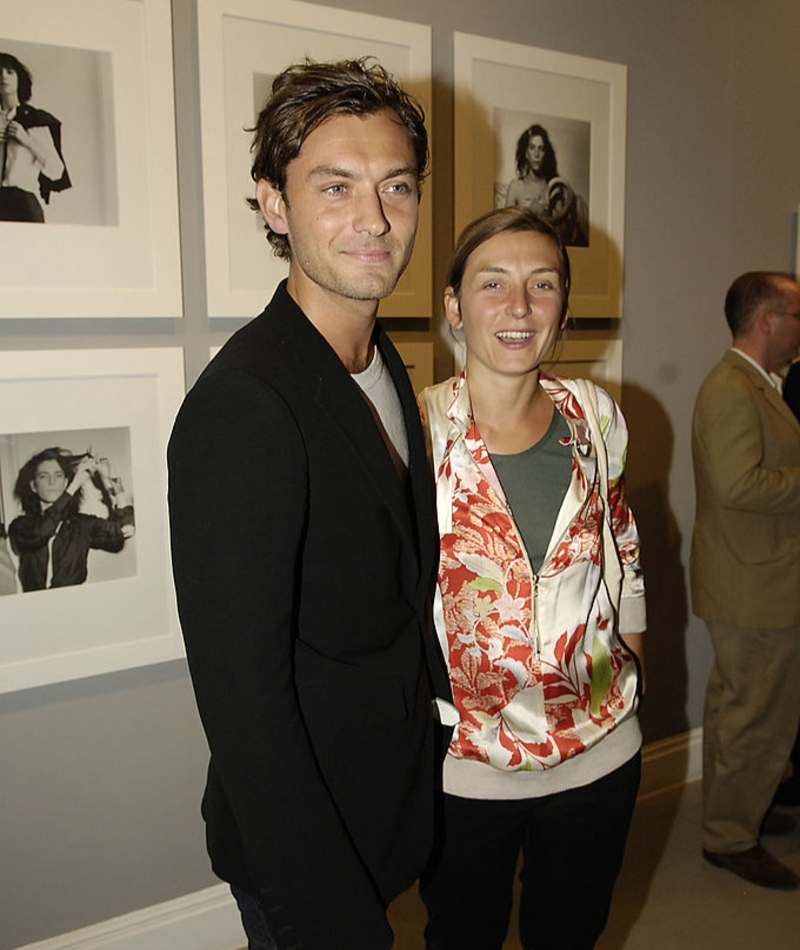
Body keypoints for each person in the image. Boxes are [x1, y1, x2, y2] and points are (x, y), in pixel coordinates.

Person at [167, 58, 447, 950]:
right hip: (307, 851)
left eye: (395, 187)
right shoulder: (245, 404)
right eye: (336, 186)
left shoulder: (384, 357)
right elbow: (243, 704)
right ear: (274, 205)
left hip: (391, 804)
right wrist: (328, 913)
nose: (374, 219)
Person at [418, 207, 646, 950]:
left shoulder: (595, 415)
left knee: (571, 935)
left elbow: (623, 550)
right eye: (493, 283)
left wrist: (633, 663)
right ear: (454, 305)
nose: (518, 307)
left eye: (541, 284)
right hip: (466, 770)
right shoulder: (416, 435)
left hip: (600, 753)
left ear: (564, 309)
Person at [691, 271, 800, 890]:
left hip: (756, 579)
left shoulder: (755, 385)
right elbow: (740, 485)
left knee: (742, 709)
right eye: (796, 316)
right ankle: (730, 836)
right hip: (753, 585)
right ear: (767, 320)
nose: (798, 331)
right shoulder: (733, 388)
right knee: (754, 716)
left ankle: (738, 815)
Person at [8, 447, 135, 592]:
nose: (51, 482)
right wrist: (74, 486)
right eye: (43, 476)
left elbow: (125, 529)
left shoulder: (81, 525)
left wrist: (111, 480)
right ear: (33, 486)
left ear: (65, 482)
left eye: (58, 475)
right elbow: (42, 531)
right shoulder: (20, 526)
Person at [0, 52, 70, 222]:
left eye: (9, 72)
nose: (3, 76)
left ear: (19, 78)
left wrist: (26, 140)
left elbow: (56, 171)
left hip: (22, 207)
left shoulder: (34, 120)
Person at [503, 123, 588, 247]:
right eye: (532, 148)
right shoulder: (516, 187)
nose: (537, 154)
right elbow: (504, 230)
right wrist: (530, 211)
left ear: (545, 154)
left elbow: (561, 233)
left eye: (541, 149)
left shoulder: (554, 188)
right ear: (526, 153)